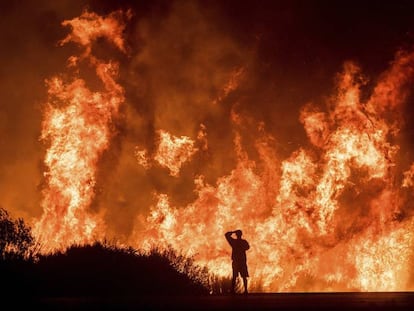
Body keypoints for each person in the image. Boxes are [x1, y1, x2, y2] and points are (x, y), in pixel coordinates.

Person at [225, 229, 250, 294]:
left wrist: (233, 232)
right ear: (241, 235)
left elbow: (226, 235)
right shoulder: (243, 242)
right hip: (241, 261)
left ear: (236, 235)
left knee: (235, 277)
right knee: (243, 277)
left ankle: (233, 291)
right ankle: (245, 291)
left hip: (237, 261)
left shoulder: (233, 242)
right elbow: (247, 247)